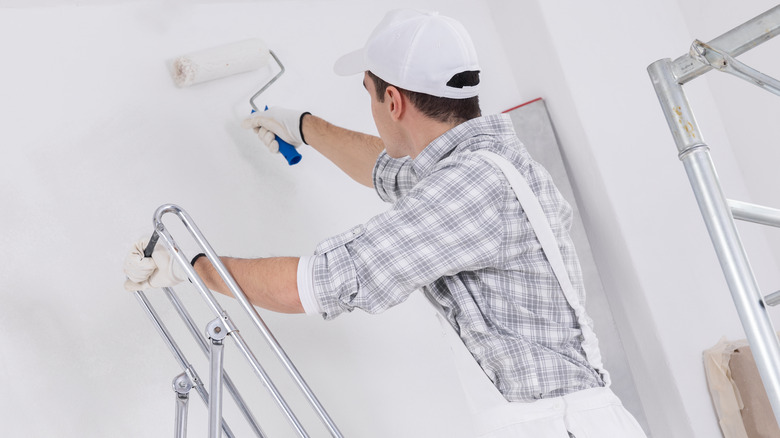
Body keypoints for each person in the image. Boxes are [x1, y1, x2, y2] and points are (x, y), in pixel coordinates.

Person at [124, 9, 647, 437]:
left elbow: (318, 282)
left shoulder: (469, 190)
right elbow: (391, 171)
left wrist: (188, 268)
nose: (373, 109)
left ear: (392, 100)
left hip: (558, 428)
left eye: (370, 95)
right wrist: (303, 127)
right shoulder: (486, 165)